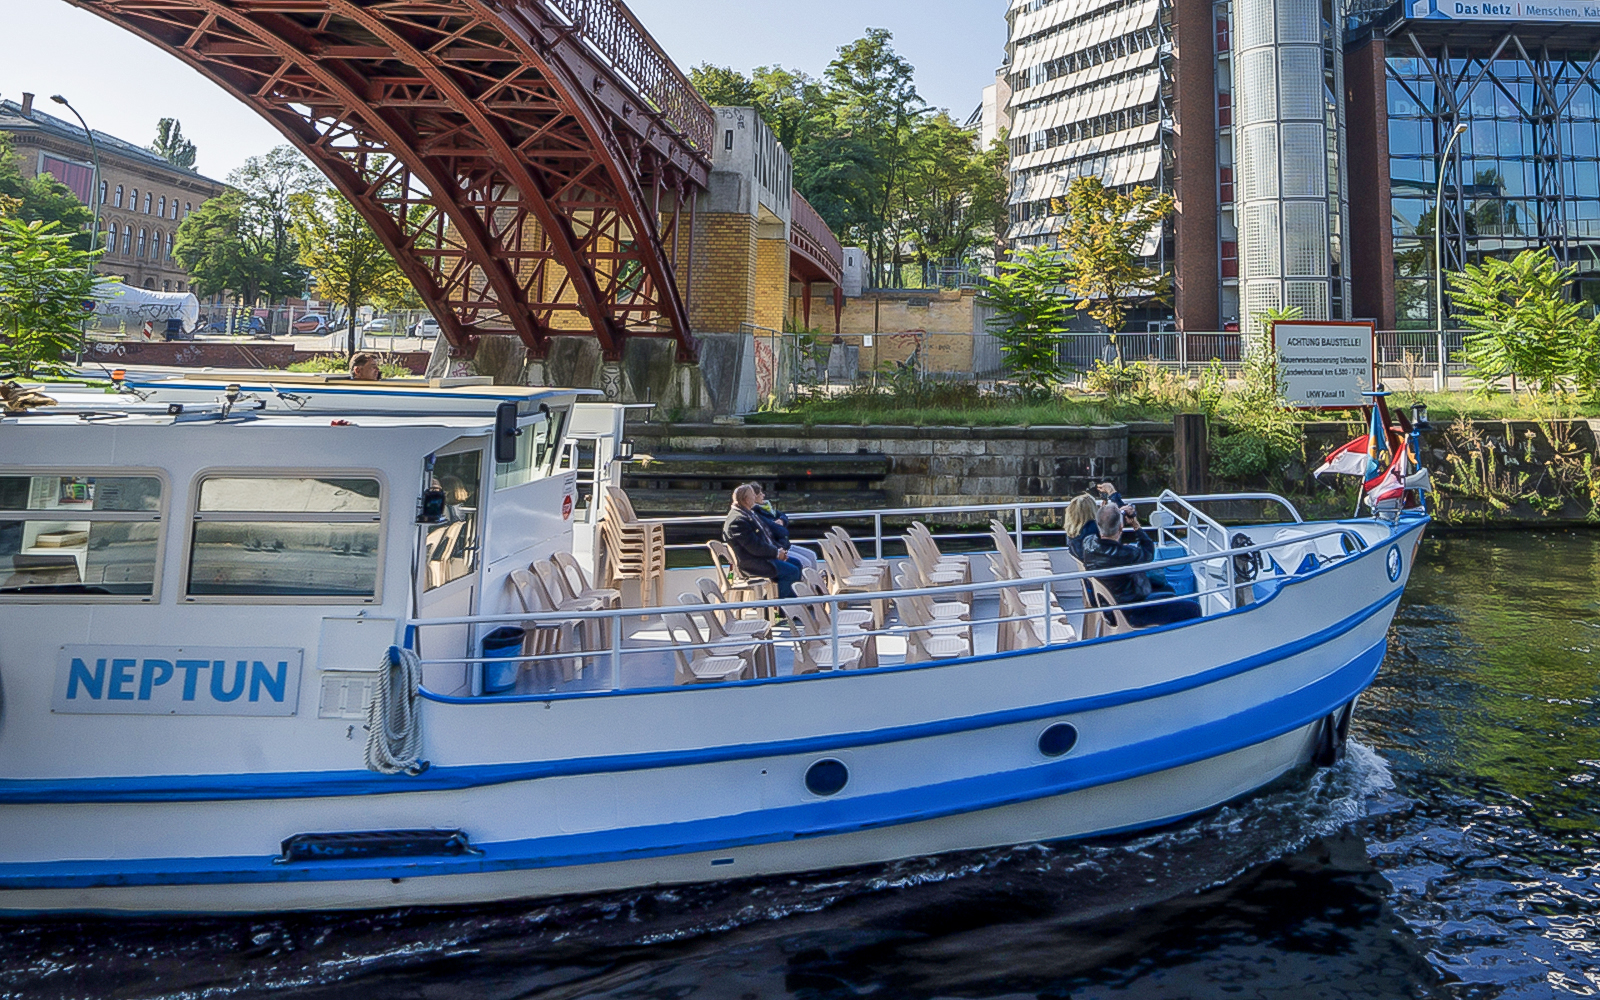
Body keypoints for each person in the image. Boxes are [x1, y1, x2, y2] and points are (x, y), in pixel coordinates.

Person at [1081, 504, 1202, 628]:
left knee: (1165, 592)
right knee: (1192, 608)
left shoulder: (1088, 544)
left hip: (1109, 609)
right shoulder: (1126, 554)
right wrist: (1134, 523)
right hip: (1133, 612)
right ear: (1121, 527)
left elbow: (1104, 532)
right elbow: (1148, 551)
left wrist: (1114, 514)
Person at [723, 484, 803, 599]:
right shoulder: (738, 521)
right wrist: (776, 553)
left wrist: (779, 551)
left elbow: (764, 539)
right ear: (746, 499)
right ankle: (782, 611)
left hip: (760, 557)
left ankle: (781, 605)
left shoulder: (747, 513)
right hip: (752, 563)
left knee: (797, 564)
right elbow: (755, 547)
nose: (754, 499)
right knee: (791, 572)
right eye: (752, 496)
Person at [749, 484, 818, 570]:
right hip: (777, 547)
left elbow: (782, 515)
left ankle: (815, 583)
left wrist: (782, 521)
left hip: (784, 544)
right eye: (760, 494)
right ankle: (803, 582)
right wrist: (781, 528)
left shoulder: (767, 507)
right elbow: (778, 530)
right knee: (805, 562)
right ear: (753, 497)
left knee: (812, 555)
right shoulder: (755, 513)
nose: (763, 495)